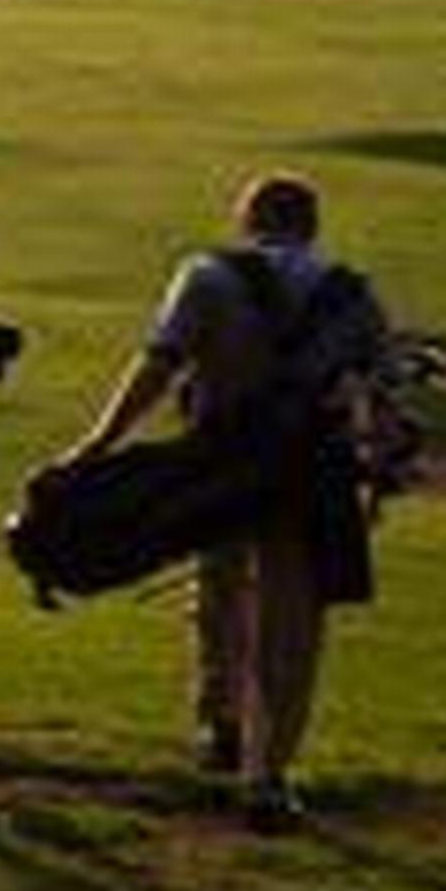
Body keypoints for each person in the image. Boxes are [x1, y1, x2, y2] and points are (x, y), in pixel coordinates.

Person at [56, 171, 393, 832]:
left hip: (220, 461)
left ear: (249, 221)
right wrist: (375, 475)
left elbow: (159, 364)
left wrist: (97, 443)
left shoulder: (207, 276)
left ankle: (221, 725)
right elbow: (374, 398)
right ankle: (268, 779)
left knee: (218, 591)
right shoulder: (355, 294)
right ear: (313, 226)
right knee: (292, 625)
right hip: (311, 471)